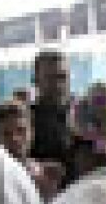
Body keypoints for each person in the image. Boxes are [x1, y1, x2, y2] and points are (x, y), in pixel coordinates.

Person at [0, 100, 65, 204]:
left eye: (21, 130)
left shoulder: (45, 174)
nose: (15, 138)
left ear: (31, 133)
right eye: (6, 134)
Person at [29, 50, 77, 190]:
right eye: (50, 78)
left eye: (62, 77)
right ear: (35, 81)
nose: (58, 84)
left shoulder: (83, 112)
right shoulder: (27, 120)